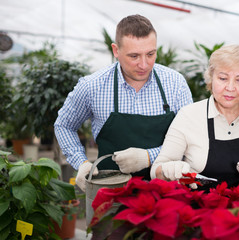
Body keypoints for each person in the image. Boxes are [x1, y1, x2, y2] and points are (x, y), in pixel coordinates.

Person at [54, 14, 193, 192]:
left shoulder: (175, 84)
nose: (144, 64)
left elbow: (189, 137)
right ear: (116, 50)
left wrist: (149, 157)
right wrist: (81, 162)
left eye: (150, 54)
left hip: (164, 191)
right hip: (110, 191)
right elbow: (64, 125)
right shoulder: (92, 86)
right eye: (134, 56)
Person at [150, 44, 239, 190]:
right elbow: (156, 171)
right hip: (201, 209)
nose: (230, 88)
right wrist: (170, 169)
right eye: (223, 78)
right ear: (211, 77)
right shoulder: (188, 115)